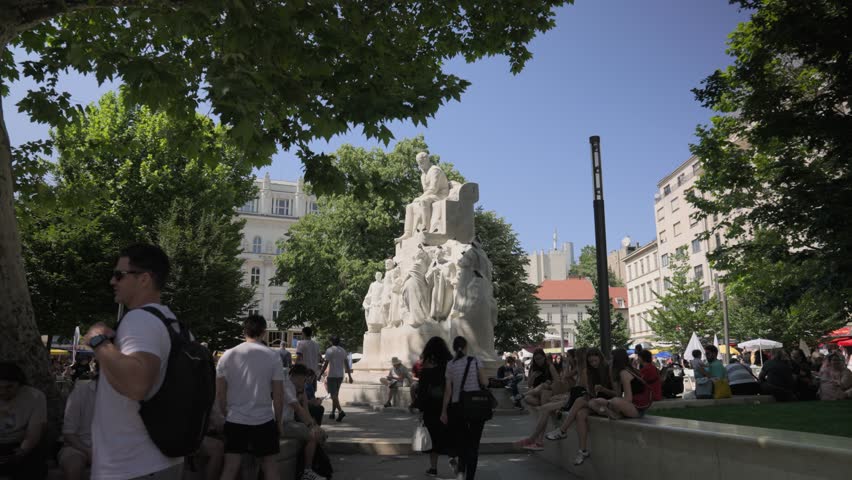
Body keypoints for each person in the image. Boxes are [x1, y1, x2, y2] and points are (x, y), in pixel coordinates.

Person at [85, 243, 184, 479]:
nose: (112, 281)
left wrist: (98, 341)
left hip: (132, 466)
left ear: (144, 279)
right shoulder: (171, 322)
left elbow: (137, 384)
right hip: (158, 461)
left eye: (119, 275)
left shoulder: (139, 320)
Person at [545, 349, 650, 465]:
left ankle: (563, 430)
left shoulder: (612, 370)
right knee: (580, 413)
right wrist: (591, 394)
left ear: (602, 358)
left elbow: (618, 395)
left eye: (595, 361)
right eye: (591, 362)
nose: (593, 364)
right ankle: (582, 451)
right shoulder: (590, 372)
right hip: (600, 401)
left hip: (612, 401)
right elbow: (591, 391)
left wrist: (603, 390)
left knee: (583, 402)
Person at [216, 315, 285, 480]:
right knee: (270, 465)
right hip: (264, 419)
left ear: (244, 331)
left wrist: (226, 413)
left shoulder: (227, 355)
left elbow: (220, 392)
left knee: (230, 467)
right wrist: (279, 421)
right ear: (264, 332)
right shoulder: (273, 356)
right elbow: (278, 394)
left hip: (235, 418)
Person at [441, 337, 488, 480]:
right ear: (466, 347)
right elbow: (485, 382)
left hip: (458, 407)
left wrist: (444, 411)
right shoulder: (476, 361)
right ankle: (470, 477)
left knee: (462, 442)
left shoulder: (450, 364)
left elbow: (448, 391)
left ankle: (461, 471)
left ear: (454, 348)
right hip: (476, 406)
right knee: (473, 445)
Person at [413, 337, 454, 477]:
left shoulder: (426, 368)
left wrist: (420, 409)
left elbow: (422, 391)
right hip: (447, 404)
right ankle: (452, 457)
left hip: (431, 407)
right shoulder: (449, 365)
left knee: (432, 437)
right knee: (449, 434)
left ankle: (433, 468)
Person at [0, 362, 47, 480]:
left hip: (21, 444)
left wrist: (22, 451)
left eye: (9, 387)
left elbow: (33, 433)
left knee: (33, 468)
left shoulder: (35, 396)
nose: (3, 392)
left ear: (20, 385)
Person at [280, 364, 327, 480]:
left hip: (290, 422)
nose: (305, 383)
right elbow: (298, 409)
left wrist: (314, 425)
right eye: (304, 380)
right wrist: (312, 427)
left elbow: (305, 410)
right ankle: (307, 471)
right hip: (282, 423)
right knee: (313, 435)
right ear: (297, 377)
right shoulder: (286, 386)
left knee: (319, 434)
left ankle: (314, 467)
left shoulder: (296, 387)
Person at [58, 367, 98, 480]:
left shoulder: (124, 394)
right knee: (73, 465)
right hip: (78, 446)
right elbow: (69, 433)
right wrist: (88, 451)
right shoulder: (80, 392)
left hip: (114, 448)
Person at [318, 335, 353, 422]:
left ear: (331, 342)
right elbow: (346, 364)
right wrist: (349, 376)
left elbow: (326, 364)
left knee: (332, 395)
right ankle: (333, 413)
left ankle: (340, 411)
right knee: (335, 395)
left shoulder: (329, 350)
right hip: (340, 375)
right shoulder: (343, 350)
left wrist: (320, 374)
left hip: (332, 375)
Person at [296, 327, 322, 400]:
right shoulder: (316, 344)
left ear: (303, 333)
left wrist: (294, 367)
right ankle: (312, 405)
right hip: (314, 372)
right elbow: (319, 357)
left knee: (303, 392)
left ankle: (305, 406)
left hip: (304, 372)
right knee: (312, 392)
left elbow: (299, 357)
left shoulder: (301, 343)